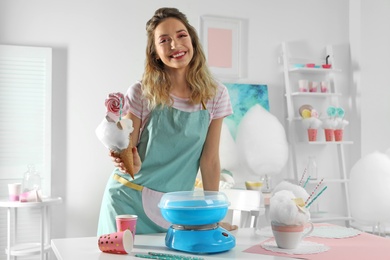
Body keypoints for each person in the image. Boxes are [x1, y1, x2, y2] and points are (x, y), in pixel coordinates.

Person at [97, 7, 237, 235]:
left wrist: (213, 216)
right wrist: (125, 159)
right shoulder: (141, 93)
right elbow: (130, 154)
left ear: (192, 40)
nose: (175, 45)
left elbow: (209, 161)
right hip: (127, 202)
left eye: (181, 35)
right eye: (164, 40)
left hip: (174, 208)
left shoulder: (216, 95)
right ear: (155, 53)